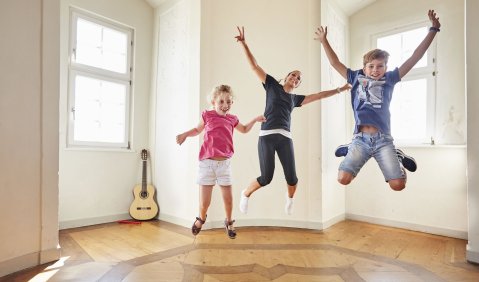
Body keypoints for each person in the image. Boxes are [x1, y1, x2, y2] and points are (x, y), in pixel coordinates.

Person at [315, 9, 441, 191]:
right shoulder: (355, 77)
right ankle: (350, 148)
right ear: (364, 68)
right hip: (360, 139)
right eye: (371, 66)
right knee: (342, 179)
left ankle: (397, 157)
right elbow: (335, 63)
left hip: (383, 140)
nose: (375, 70)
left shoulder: (389, 79)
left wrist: (433, 30)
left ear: (385, 67)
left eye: (380, 66)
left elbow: (415, 57)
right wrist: (324, 40)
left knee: (398, 186)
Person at [235, 26, 351, 215]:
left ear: (298, 84)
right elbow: (254, 66)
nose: (295, 78)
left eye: (298, 78)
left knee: (292, 178)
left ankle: (289, 199)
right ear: (286, 76)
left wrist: (341, 89)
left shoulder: (295, 99)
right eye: (293, 75)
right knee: (266, 177)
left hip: (285, 138)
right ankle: (246, 193)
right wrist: (244, 44)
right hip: (266, 136)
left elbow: (319, 95)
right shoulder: (272, 85)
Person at [176, 84, 265, 239]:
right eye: (221, 102)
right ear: (214, 101)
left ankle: (229, 221)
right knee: (204, 203)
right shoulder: (207, 115)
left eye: (229, 102)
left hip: (224, 165)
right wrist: (184, 134)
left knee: (228, 200)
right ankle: (201, 217)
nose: (225, 105)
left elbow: (243, 129)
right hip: (207, 164)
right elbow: (197, 130)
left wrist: (255, 120)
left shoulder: (232, 119)